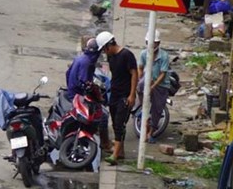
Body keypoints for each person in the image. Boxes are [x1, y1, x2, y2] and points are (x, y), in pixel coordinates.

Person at [96, 31, 138, 165]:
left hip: (125, 95)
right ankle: (120, 152)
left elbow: (134, 74)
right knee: (115, 123)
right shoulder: (111, 57)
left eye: (104, 49)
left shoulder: (126, 55)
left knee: (120, 124)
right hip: (114, 93)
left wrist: (132, 94)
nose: (104, 52)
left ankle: (114, 156)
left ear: (109, 45)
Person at [65, 38, 112, 150]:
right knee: (103, 115)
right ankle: (105, 144)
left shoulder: (80, 58)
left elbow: (68, 73)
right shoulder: (87, 63)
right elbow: (86, 84)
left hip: (72, 92)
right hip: (78, 96)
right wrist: (97, 95)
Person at [138, 30, 171, 143]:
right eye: (149, 42)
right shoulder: (143, 54)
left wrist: (154, 85)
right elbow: (140, 68)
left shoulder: (164, 56)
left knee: (157, 109)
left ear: (158, 43)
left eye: (154, 42)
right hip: (148, 79)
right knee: (139, 87)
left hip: (161, 84)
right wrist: (139, 78)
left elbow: (163, 73)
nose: (152, 45)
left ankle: (151, 132)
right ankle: (143, 107)